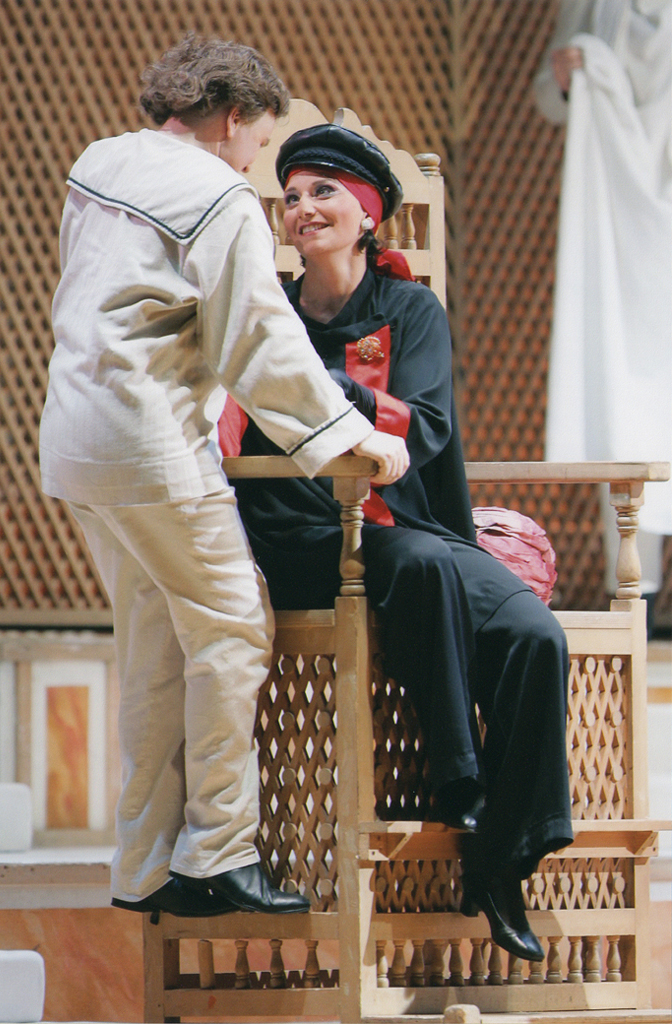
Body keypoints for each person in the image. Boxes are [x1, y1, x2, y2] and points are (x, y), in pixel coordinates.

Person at [38, 36, 409, 920]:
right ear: (235, 117)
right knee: (237, 626)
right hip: (149, 443)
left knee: (156, 645)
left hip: (74, 439)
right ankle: (220, 851)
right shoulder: (217, 194)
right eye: (261, 144)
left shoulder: (100, 162)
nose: (263, 169)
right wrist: (349, 438)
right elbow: (257, 344)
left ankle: (143, 863)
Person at [222, 123, 574, 962]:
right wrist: (327, 397)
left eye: (322, 193)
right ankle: (459, 780)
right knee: (416, 565)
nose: (302, 208)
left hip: (404, 520)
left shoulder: (408, 309)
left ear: (367, 212)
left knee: (534, 636)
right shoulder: (266, 311)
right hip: (304, 529)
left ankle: (503, 856)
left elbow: (423, 425)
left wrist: (318, 388)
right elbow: (244, 418)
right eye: (293, 195)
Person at [534, 0, 672, 621]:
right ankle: (635, 589)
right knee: (618, 386)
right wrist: (568, 78)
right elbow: (546, 91)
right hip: (616, 211)